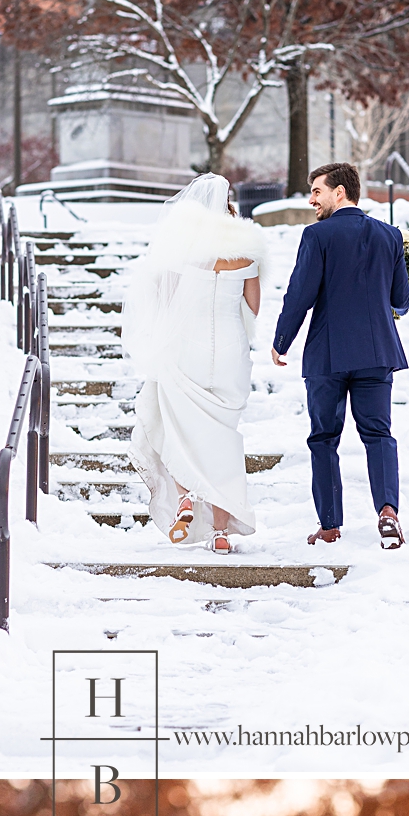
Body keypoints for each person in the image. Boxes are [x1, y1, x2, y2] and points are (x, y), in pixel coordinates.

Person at [270, 163, 409, 550]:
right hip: (377, 352)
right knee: (378, 435)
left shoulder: (317, 236)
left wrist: (282, 340)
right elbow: (402, 300)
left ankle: (330, 526)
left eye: (317, 191)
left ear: (340, 193)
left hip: (328, 355)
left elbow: (300, 294)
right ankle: (388, 511)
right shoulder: (390, 236)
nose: (312, 199)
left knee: (324, 439)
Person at [124, 175, 265, 557]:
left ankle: (185, 500)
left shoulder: (180, 252)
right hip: (231, 356)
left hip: (186, 350)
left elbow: (157, 299)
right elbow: (254, 308)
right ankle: (220, 531)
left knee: (179, 431)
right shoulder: (247, 253)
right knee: (222, 440)